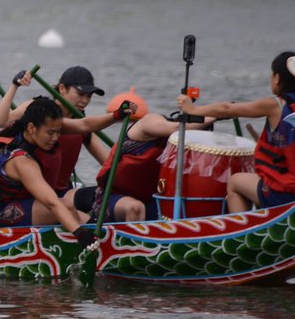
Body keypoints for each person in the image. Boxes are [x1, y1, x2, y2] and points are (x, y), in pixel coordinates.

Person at [177, 51, 295, 212]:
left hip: (289, 194)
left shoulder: (276, 105)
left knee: (235, 182)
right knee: (262, 178)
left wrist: (192, 109)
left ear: (277, 78)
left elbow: (227, 109)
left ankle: (242, 228)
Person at [0, 65, 123, 210]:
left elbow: (110, 166)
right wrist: (15, 86)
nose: (85, 100)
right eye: (80, 94)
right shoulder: (36, 110)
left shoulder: (83, 126)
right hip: (31, 196)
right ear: (62, 89)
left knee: (114, 194)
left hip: (63, 194)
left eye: (89, 96)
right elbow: (0, 122)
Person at [0, 97, 92, 244]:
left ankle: (93, 234)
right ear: (31, 128)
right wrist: (80, 234)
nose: (55, 138)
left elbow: (86, 125)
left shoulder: (30, 134)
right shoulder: (21, 160)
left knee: (85, 219)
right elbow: (52, 203)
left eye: (58, 133)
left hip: (25, 202)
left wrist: (116, 116)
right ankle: (82, 245)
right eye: (50, 133)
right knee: (66, 206)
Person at [91, 88, 213, 222]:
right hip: (111, 198)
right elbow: (176, 128)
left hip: (150, 201)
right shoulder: (149, 122)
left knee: (189, 207)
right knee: (135, 208)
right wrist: (218, 114)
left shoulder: (184, 144)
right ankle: (134, 242)